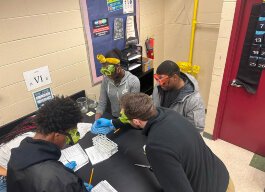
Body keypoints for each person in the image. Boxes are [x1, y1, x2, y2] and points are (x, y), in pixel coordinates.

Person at [91, 93, 234, 192]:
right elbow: (136, 121)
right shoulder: (167, 113)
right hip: (221, 175)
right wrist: (113, 123)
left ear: (136, 121)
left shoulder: (156, 147)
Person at [7, 96, 93, 192]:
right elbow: (56, 182)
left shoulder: (15, 155)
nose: (67, 141)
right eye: (69, 135)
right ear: (57, 135)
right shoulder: (62, 181)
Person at [152, 60, 205, 132]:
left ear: (175, 77)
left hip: (177, 136)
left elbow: (195, 129)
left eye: (163, 80)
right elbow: (155, 108)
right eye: (157, 79)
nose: (160, 84)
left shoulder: (194, 100)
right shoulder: (158, 87)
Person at [95, 48, 140, 120]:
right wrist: (97, 119)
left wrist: (120, 122)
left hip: (129, 118)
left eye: (110, 73)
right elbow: (102, 102)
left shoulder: (133, 81)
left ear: (118, 68)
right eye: (105, 72)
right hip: (114, 116)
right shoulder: (106, 80)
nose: (108, 76)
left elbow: (133, 106)